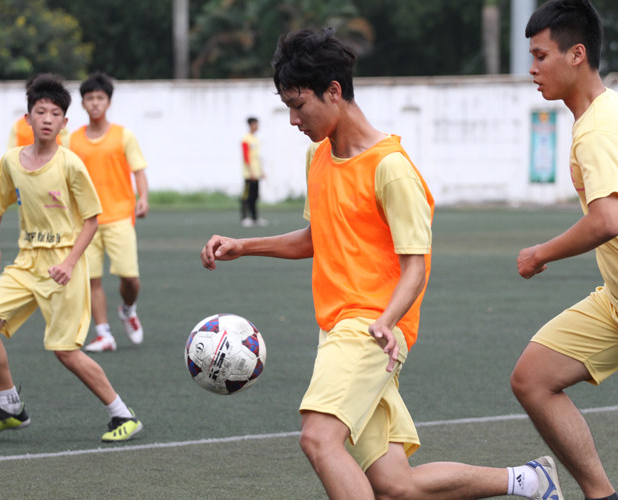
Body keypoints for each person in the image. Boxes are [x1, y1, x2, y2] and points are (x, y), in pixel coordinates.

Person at [202, 28, 563, 500]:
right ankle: (531, 481)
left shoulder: (391, 169)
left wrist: (386, 321)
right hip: (341, 328)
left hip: (371, 328)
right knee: (396, 485)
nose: (293, 120)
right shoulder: (318, 156)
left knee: (318, 438)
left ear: (334, 91)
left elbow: (416, 267)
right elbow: (317, 238)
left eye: (298, 105)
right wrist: (244, 246)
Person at [510, 1, 618, 499]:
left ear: (577, 54)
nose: (532, 68)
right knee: (533, 378)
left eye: (541, 56)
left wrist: (541, 253)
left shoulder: (597, 128)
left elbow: (608, 220)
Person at [0, 74, 142, 442]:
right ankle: (11, 407)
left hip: (64, 266)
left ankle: (123, 415)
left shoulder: (71, 164)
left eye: (55, 113)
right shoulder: (10, 162)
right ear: (27, 118)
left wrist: (70, 263)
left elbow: (91, 220)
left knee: (65, 351)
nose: (47, 119)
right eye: (40, 111)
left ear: (64, 122)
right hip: (25, 263)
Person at [66, 72, 149, 353]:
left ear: (108, 102)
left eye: (100, 97)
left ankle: (128, 309)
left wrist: (143, 198)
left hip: (119, 216)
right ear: (82, 103)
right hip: (84, 221)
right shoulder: (72, 140)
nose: (95, 103)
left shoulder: (123, 135)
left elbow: (138, 170)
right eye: (89, 98)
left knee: (130, 278)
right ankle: (104, 334)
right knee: (92, 280)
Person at [240, 116, 267, 227]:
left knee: (255, 196)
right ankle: (244, 217)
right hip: (249, 174)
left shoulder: (256, 140)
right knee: (247, 196)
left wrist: (261, 171)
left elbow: (257, 157)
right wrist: (251, 171)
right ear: (251, 125)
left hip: (256, 173)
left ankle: (255, 218)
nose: (257, 126)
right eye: (255, 124)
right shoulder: (246, 139)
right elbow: (246, 156)